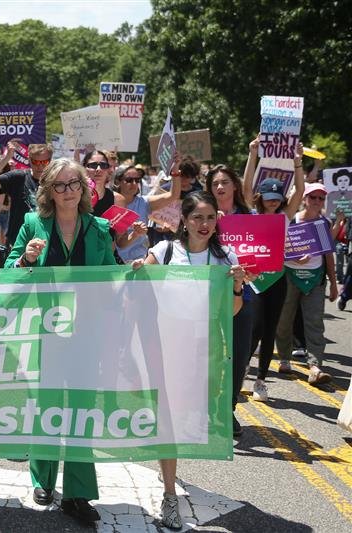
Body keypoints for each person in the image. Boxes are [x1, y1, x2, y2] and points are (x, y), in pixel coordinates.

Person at [4, 158, 115, 527]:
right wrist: (25, 258)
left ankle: (78, 492)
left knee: (82, 409)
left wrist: (132, 272)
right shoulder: (32, 224)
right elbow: (7, 273)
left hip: (86, 333)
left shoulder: (100, 228)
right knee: (47, 404)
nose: (68, 191)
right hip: (44, 330)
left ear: (84, 189)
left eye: (74, 184)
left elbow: (110, 279)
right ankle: (43, 479)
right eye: (60, 185)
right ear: (48, 191)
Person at [133, 191, 246, 529]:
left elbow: (233, 310)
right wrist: (138, 268)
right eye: (197, 217)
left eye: (211, 217)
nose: (204, 224)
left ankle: (168, 465)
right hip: (166, 348)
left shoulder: (226, 257)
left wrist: (237, 289)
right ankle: (170, 494)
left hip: (206, 351)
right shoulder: (165, 251)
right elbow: (136, 285)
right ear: (183, 219)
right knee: (168, 418)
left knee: (193, 417)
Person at [242, 138, 305, 400]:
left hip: (278, 278)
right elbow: (245, 188)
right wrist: (252, 155)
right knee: (255, 326)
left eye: (277, 199)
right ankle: (243, 366)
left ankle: (260, 380)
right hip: (255, 279)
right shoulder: (253, 215)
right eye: (268, 198)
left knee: (271, 330)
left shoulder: (284, 217)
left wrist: (298, 163)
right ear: (261, 197)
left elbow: (299, 192)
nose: (273, 203)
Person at [205, 164, 255, 435]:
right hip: (209, 296)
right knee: (210, 355)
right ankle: (207, 407)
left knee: (238, 356)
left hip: (242, 295)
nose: (220, 187)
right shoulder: (204, 216)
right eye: (215, 183)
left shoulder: (249, 217)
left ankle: (229, 410)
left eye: (225, 182)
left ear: (235, 185)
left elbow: (260, 256)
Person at [275, 182, 339, 385]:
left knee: (314, 322)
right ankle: (285, 358)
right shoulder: (291, 220)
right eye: (313, 197)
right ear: (304, 199)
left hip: (315, 279)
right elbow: (277, 249)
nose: (317, 202)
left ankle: (315, 366)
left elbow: (328, 254)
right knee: (284, 320)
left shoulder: (324, 224)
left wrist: (334, 283)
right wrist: (293, 260)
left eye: (321, 198)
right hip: (290, 277)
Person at [0, 141, 53, 247]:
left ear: (51, 160)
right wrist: (6, 159)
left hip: (46, 238)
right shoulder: (19, 177)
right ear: (29, 159)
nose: (40, 166)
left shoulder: (55, 180)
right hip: (18, 240)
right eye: (35, 162)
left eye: (44, 162)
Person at [114, 160, 183, 262]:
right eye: (129, 180)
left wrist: (175, 170)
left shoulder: (144, 202)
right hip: (114, 261)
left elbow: (173, 195)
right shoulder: (109, 202)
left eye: (137, 180)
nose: (134, 183)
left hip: (139, 260)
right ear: (118, 182)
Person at [84, 149, 126, 217]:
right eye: (93, 165)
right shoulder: (75, 196)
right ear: (84, 168)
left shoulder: (118, 199)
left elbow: (119, 227)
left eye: (103, 165)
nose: (98, 169)